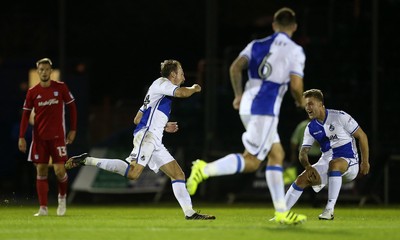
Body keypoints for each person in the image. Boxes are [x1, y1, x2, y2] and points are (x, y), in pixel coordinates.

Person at [186, 7, 307, 224]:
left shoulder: (256, 44)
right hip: (265, 108)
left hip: (248, 103)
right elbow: (297, 85)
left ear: (273, 26)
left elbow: (235, 68)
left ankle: (281, 212)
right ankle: (205, 169)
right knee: (251, 161)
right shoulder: (295, 51)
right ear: (294, 27)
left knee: (276, 154)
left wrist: (238, 95)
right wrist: (300, 101)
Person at [65, 59, 215, 220]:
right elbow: (182, 93)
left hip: (154, 138)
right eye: (182, 73)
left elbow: (137, 118)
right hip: (147, 136)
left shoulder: (156, 90)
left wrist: (163, 126)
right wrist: (194, 88)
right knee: (133, 173)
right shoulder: (162, 82)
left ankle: (190, 213)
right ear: (173, 75)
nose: (184, 77)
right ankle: (87, 160)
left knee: (178, 174)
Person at [284, 89, 370, 220]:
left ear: (321, 104)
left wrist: (365, 161)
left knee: (334, 164)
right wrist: (308, 167)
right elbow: (302, 153)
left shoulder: (340, 116)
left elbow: (362, 136)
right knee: (301, 179)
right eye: (306, 105)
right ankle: (281, 214)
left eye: (311, 104)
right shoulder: (310, 127)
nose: (307, 108)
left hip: (349, 161)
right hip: (326, 162)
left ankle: (329, 210)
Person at [18, 58, 77, 216]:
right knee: (41, 170)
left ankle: (62, 198)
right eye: (41, 70)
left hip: (57, 137)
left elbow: (72, 107)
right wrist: (21, 136)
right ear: (38, 72)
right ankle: (43, 208)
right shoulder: (32, 91)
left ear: (51, 71)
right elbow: (25, 115)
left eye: (47, 69)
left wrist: (73, 129)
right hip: (39, 139)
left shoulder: (61, 87)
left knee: (59, 171)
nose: (44, 72)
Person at [284, 117, 321, 206]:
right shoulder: (302, 126)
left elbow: (294, 142)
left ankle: (313, 201)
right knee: (302, 179)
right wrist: (293, 154)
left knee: (314, 180)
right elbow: (294, 142)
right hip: (304, 157)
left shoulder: (321, 126)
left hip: (317, 157)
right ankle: (297, 201)